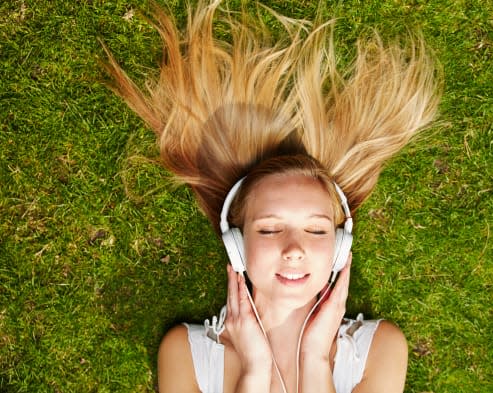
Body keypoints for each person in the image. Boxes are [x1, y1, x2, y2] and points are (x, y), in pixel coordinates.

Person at [103, 1, 440, 392]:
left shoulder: (381, 348)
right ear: (237, 246)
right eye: (269, 230)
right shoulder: (185, 354)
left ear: (338, 247)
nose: (294, 248)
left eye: (316, 231)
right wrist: (254, 370)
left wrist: (316, 358)